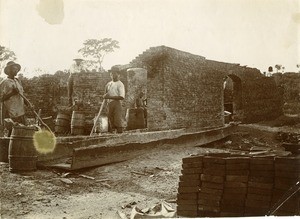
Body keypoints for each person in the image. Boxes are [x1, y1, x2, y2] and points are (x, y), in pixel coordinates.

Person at [0, 61, 29, 135]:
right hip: (11, 112)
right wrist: (12, 93)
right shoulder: (4, 83)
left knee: (22, 131)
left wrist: (27, 103)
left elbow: (22, 94)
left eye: (16, 69)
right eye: (14, 69)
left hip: (20, 111)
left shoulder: (18, 81)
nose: (16, 70)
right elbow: (1, 99)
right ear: (9, 70)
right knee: (12, 132)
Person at [103, 66, 125, 133]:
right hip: (109, 104)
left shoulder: (120, 84)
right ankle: (113, 135)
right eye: (111, 74)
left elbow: (121, 97)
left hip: (117, 103)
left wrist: (109, 97)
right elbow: (105, 95)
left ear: (118, 74)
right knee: (110, 120)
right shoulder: (108, 84)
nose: (112, 75)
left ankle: (120, 135)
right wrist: (104, 98)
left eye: (114, 73)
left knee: (117, 120)